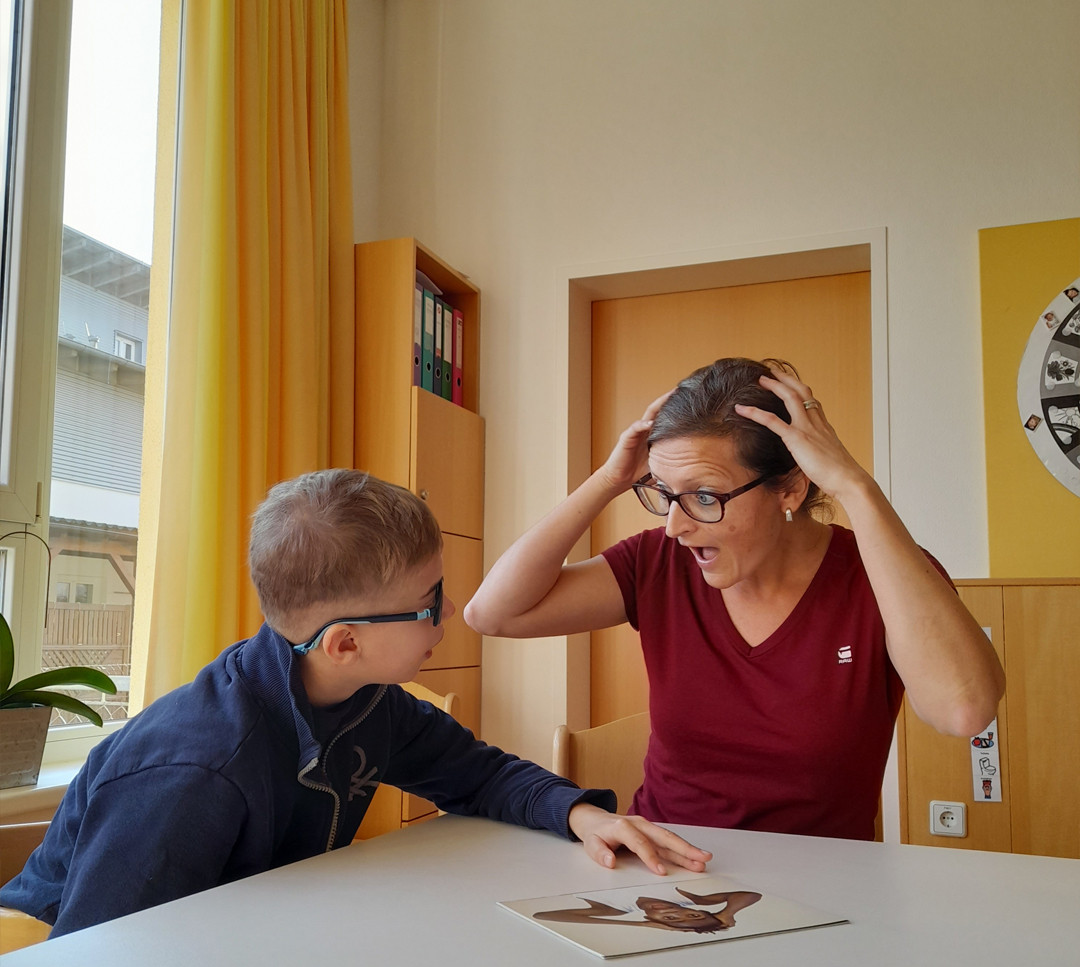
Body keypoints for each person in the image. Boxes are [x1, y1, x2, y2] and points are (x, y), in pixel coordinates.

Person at [0, 470, 711, 937]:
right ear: (344, 643)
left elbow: (480, 774)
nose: (452, 611)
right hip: (52, 961)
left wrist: (581, 813)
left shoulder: (368, 699)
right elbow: (99, 955)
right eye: (429, 603)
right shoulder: (196, 769)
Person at [465, 358, 1005, 841]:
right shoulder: (660, 563)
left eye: (704, 496)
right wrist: (609, 480)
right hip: (663, 872)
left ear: (790, 489)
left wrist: (853, 487)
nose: (676, 526)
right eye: (663, 494)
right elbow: (492, 613)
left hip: (824, 894)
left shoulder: (878, 575)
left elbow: (963, 711)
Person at [534, 887, 762, 934]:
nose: (675, 912)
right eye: (694, 915)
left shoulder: (616, 910)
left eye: (670, 919)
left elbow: (543, 915)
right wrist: (727, 913)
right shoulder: (689, 896)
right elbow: (751, 895)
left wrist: (639, 925)